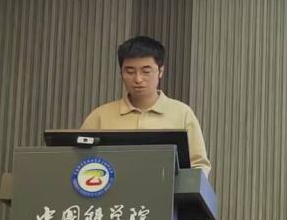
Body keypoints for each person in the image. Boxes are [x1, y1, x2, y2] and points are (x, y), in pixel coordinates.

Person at [82, 35, 211, 173]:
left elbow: (198, 165)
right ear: (121, 73)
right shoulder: (100, 116)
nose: (138, 79)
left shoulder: (182, 113)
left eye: (146, 71)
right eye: (130, 71)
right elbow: (79, 160)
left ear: (161, 71)